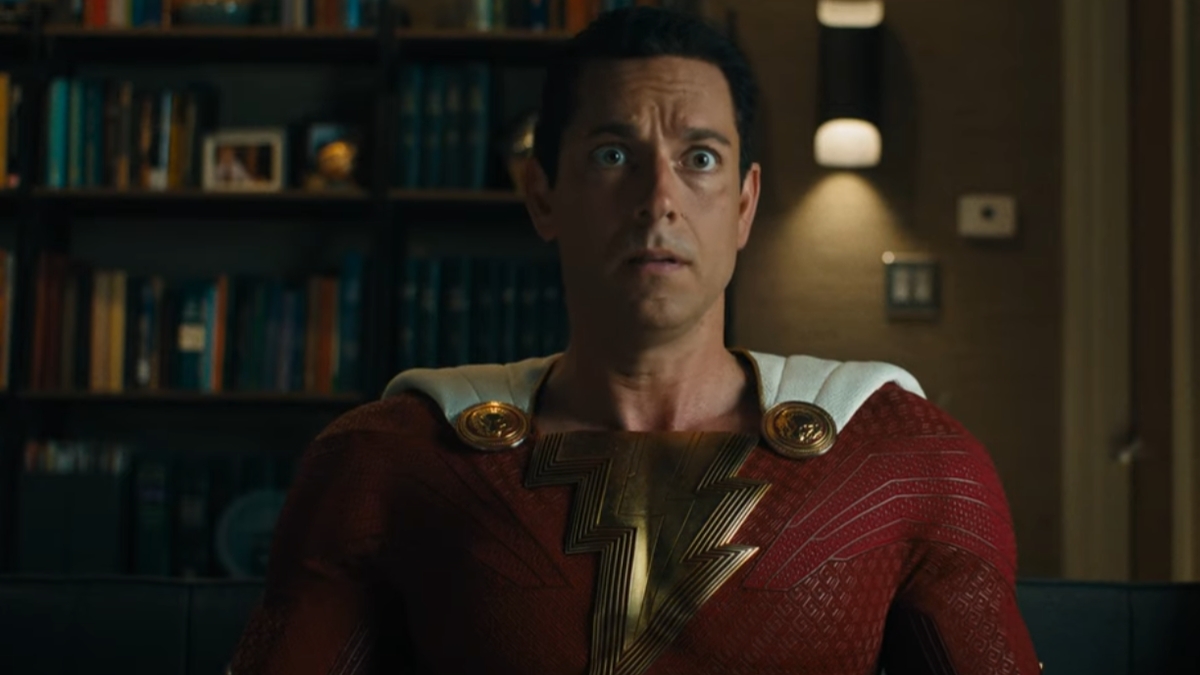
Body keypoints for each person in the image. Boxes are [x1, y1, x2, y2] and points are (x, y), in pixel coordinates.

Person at [228, 7, 1041, 674]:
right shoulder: (392, 458)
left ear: (745, 204)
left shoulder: (903, 456)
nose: (659, 199)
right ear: (542, 195)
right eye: (614, 154)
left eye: (700, 158)